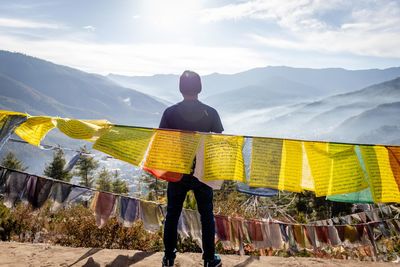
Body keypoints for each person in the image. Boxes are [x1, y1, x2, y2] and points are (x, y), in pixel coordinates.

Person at [160, 70, 223, 267]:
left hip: (178, 170)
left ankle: (169, 258)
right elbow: (218, 142)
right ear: (200, 87)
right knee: (206, 215)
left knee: (172, 214)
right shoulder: (211, 113)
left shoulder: (169, 113)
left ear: (180, 88)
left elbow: (162, 141)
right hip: (203, 171)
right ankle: (209, 259)